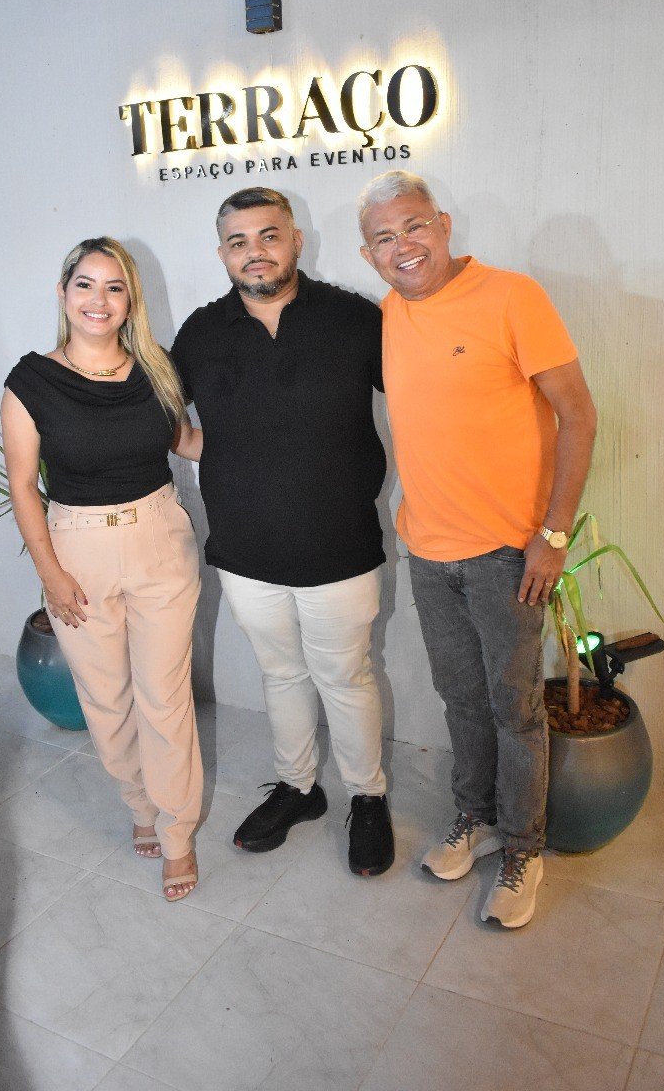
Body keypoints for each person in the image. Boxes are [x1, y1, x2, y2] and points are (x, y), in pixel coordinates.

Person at [358, 171, 597, 927]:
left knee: (514, 708)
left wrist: (552, 536)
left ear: (444, 224)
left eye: (414, 225)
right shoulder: (388, 313)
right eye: (384, 237)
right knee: (460, 698)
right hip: (428, 553)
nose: (403, 246)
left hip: (506, 556)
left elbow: (578, 415)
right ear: (369, 255)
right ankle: (477, 817)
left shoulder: (512, 296)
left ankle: (524, 848)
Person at [171, 187, 394, 876]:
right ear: (221, 254)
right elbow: (159, 415)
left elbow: (423, 401)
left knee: (346, 676)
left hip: (339, 544)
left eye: (268, 235)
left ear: (296, 240)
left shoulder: (355, 319)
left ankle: (367, 798)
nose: (255, 252)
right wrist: (213, 452)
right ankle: (298, 789)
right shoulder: (201, 333)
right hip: (244, 549)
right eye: (238, 242)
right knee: (280, 674)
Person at [1, 237, 203, 902]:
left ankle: (177, 831)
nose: (99, 299)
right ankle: (139, 803)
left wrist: (265, 444)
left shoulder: (155, 369)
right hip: (78, 549)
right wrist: (51, 573)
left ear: (129, 300)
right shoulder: (30, 381)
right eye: (85, 284)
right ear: (63, 294)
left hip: (160, 539)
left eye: (114, 287)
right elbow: (23, 485)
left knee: (164, 697)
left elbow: (185, 440)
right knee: (106, 699)